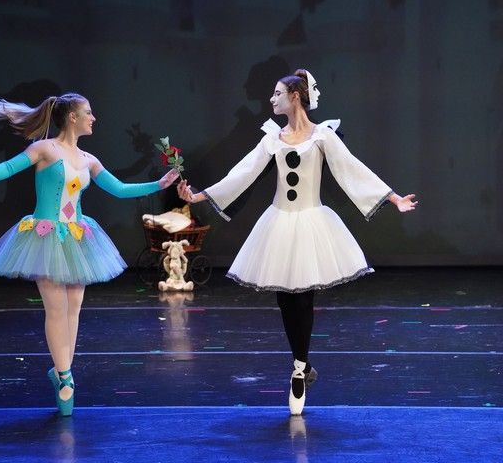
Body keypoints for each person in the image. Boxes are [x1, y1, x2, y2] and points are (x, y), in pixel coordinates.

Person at [177, 69, 417, 415]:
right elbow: (242, 173)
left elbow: (351, 169)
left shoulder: (322, 136)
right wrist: (199, 196)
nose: (271, 99)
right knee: (285, 299)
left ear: (294, 97)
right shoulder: (272, 138)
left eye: (277, 93)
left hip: (310, 221)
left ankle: (300, 370)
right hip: (279, 223)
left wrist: (393, 198)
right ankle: (301, 362)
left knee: (303, 298)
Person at [0, 93, 179, 416]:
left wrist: (158, 184)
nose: (93, 118)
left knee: (74, 307)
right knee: (56, 308)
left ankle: (61, 371)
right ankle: (66, 377)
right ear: (72, 117)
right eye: (88, 112)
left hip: (76, 236)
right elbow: (8, 167)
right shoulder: (44, 149)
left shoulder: (88, 159)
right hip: (46, 236)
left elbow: (119, 189)